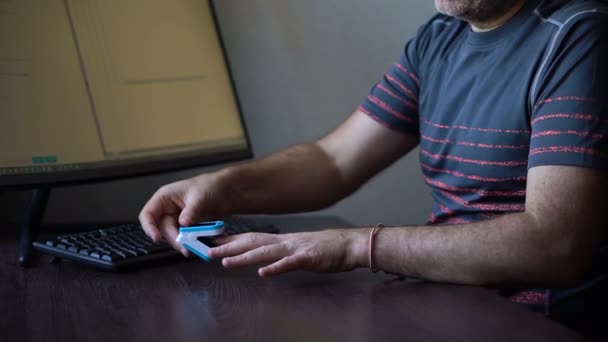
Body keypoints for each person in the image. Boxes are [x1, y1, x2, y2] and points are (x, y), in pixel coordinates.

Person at [140, 0, 608, 335]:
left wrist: (357, 246)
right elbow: (333, 162)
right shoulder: (439, 38)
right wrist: (223, 185)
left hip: (536, 322)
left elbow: (554, 244)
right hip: (452, 304)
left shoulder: (579, 34)